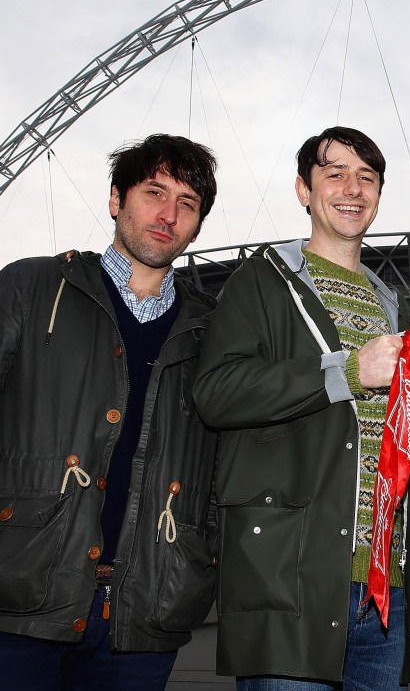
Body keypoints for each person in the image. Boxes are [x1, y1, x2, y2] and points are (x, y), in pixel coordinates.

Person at [192, 125, 410, 689]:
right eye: (335, 174)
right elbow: (217, 391)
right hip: (292, 573)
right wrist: (348, 372)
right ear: (304, 190)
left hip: (385, 583)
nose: (353, 188)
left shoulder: (391, 304)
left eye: (367, 177)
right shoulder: (263, 282)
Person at [0, 134, 220, 690]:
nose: (168, 215)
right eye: (154, 192)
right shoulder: (33, 287)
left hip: (146, 608)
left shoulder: (213, 330)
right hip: (20, 595)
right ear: (116, 199)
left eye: (187, 204)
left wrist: (202, 559)